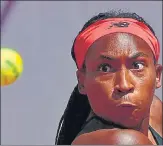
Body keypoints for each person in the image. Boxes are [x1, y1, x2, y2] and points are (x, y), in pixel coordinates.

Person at [55, 11, 163, 145]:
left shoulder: (155, 109)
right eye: (105, 68)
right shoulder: (122, 142)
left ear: (157, 75)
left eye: (137, 65)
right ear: (82, 81)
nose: (124, 85)